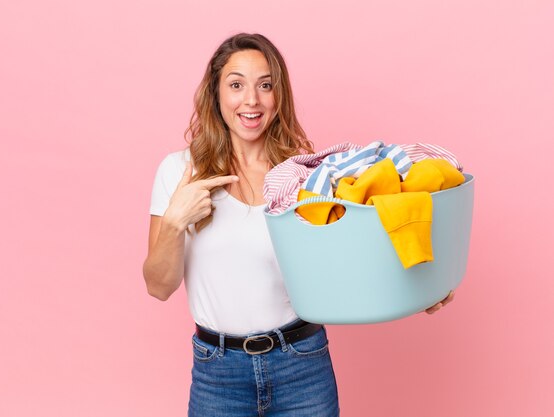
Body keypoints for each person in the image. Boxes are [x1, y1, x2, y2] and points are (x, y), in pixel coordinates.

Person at [143, 33, 453, 417]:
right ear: (215, 94)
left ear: (279, 95)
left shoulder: (307, 175)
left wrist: (417, 290)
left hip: (301, 365)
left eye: (265, 85)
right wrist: (175, 221)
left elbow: (346, 264)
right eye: (236, 84)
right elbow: (158, 286)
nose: (251, 100)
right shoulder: (178, 172)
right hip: (217, 373)